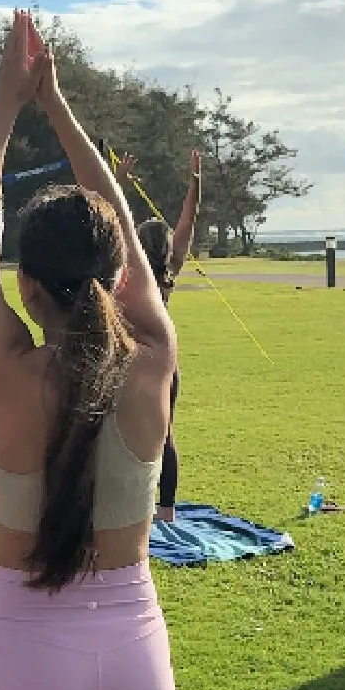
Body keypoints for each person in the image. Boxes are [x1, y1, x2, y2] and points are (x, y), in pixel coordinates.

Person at [0, 11, 178, 690]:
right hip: (133, 655)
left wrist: (11, 101)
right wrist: (59, 106)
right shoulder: (153, 357)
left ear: (28, 287)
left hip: (25, 656)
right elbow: (118, 238)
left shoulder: (11, 376)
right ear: (117, 275)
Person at [115, 148, 202, 523]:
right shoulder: (169, 270)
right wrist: (194, 185)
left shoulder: (129, 271)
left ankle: (124, 505)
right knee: (164, 434)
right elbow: (187, 223)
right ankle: (165, 512)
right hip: (165, 361)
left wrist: (119, 183)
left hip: (128, 359)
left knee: (118, 434)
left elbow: (116, 220)